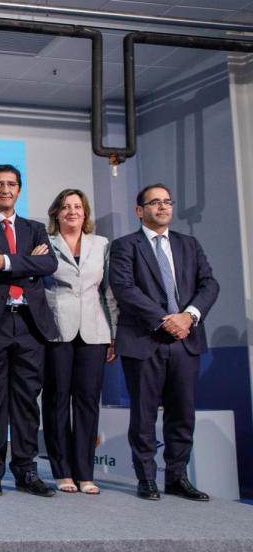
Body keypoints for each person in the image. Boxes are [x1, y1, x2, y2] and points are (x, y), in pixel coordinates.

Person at [109, 183, 218, 501]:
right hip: (145, 340)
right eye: (155, 202)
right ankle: (146, 478)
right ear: (139, 210)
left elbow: (209, 283)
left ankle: (177, 477)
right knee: (143, 415)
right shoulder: (125, 245)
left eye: (167, 202)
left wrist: (189, 316)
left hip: (186, 339)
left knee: (182, 413)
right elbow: (125, 289)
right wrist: (166, 319)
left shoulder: (189, 244)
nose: (163, 207)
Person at [0, 164, 58, 497]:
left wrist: (3, 262)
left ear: (19, 190)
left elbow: (49, 265)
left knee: (27, 402)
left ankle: (26, 470)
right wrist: (25, 263)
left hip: (30, 326)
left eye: (11, 184)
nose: (5, 189)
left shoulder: (36, 228)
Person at [39, 189, 117, 495]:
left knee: (87, 401)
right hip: (57, 330)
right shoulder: (45, 243)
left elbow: (108, 291)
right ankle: (62, 470)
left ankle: (85, 472)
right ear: (56, 213)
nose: (72, 211)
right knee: (57, 400)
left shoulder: (101, 245)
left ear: (85, 214)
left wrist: (113, 334)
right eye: (66, 207)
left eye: (78, 207)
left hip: (95, 332)